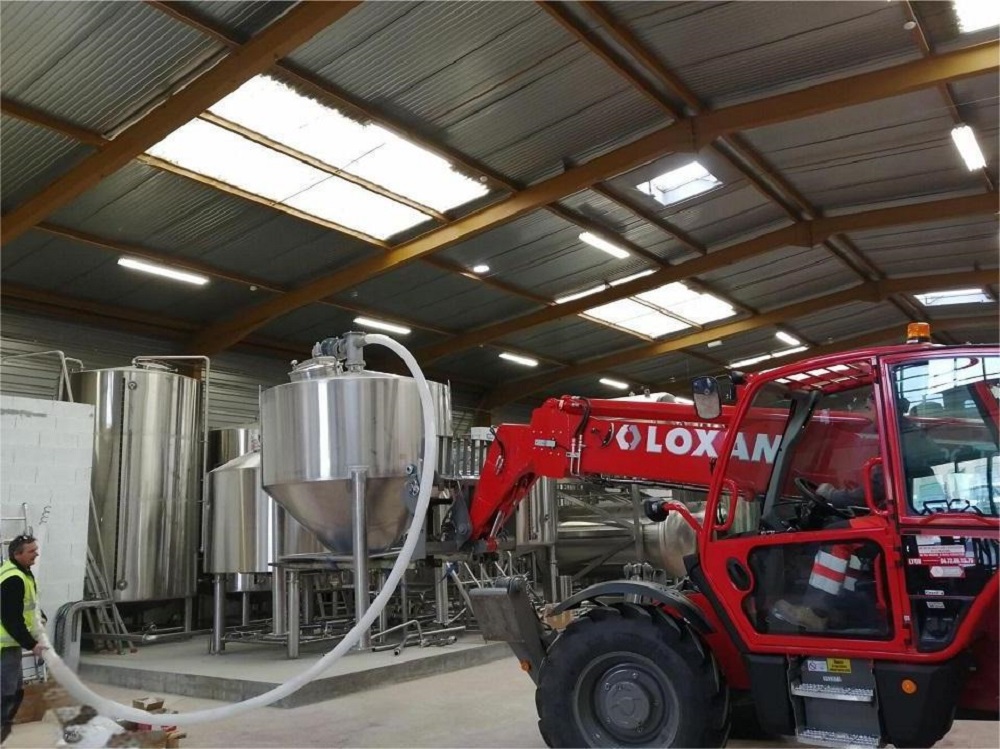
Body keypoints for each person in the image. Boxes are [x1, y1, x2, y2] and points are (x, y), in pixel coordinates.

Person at [1, 535, 47, 743]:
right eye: (31, 551)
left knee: (16, 691)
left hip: (11, 645)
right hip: (4, 647)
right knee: (6, 694)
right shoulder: (14, 579)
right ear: (17, 554)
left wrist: (40, 616)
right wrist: (32, 644)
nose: (36, 553)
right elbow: (11, 619)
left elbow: (27, 604)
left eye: (36, 549)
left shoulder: (22, 572)